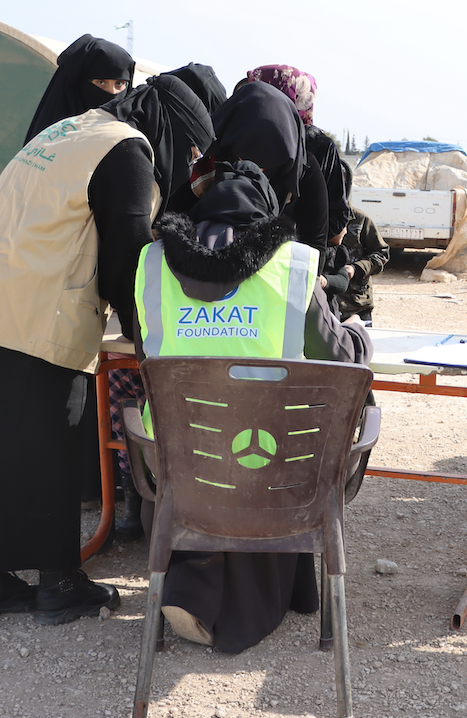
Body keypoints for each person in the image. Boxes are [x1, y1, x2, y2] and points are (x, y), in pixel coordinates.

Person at [0, 76, 214, 626]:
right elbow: (125, 258)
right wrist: (153, 334)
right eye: (191, 151)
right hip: (30, 310)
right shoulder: (128, 150)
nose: (187, 164)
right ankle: (59, 584)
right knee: (47, 445)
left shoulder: (74, 129)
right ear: (171, 130)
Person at [131, 159, 372, 653]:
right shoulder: (297, 264)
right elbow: (341, 358)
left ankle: (191, 585)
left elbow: (146, 352)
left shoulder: (153, 263)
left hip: (181, 465)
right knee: (269, 436)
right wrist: (360, 335)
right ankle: (268, 595)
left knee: (207, 431)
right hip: (272, 467)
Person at [209, 81, 330, 258]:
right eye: (243, 160)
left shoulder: (304, 169)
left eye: (268, 167)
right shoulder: (207, 161)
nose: (256, 174)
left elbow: (315, 244)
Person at [246, 64, 351, 241]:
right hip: (295, 254)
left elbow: (335, 220)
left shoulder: (318, 146)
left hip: (274, 252)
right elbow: (337, 222)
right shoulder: (322, 144)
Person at [22, 34, 135, 143]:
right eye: (101, 82)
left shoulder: (130, 138)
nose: (112, 92)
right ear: (78, 85)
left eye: (119, 84)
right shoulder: (48, 140)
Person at [335, 162, 389, 325]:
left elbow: (381, 254)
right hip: (323, 304)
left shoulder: (360, 219)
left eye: (340, 183)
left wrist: (356, 268)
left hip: (356, 305)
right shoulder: (313, 220)